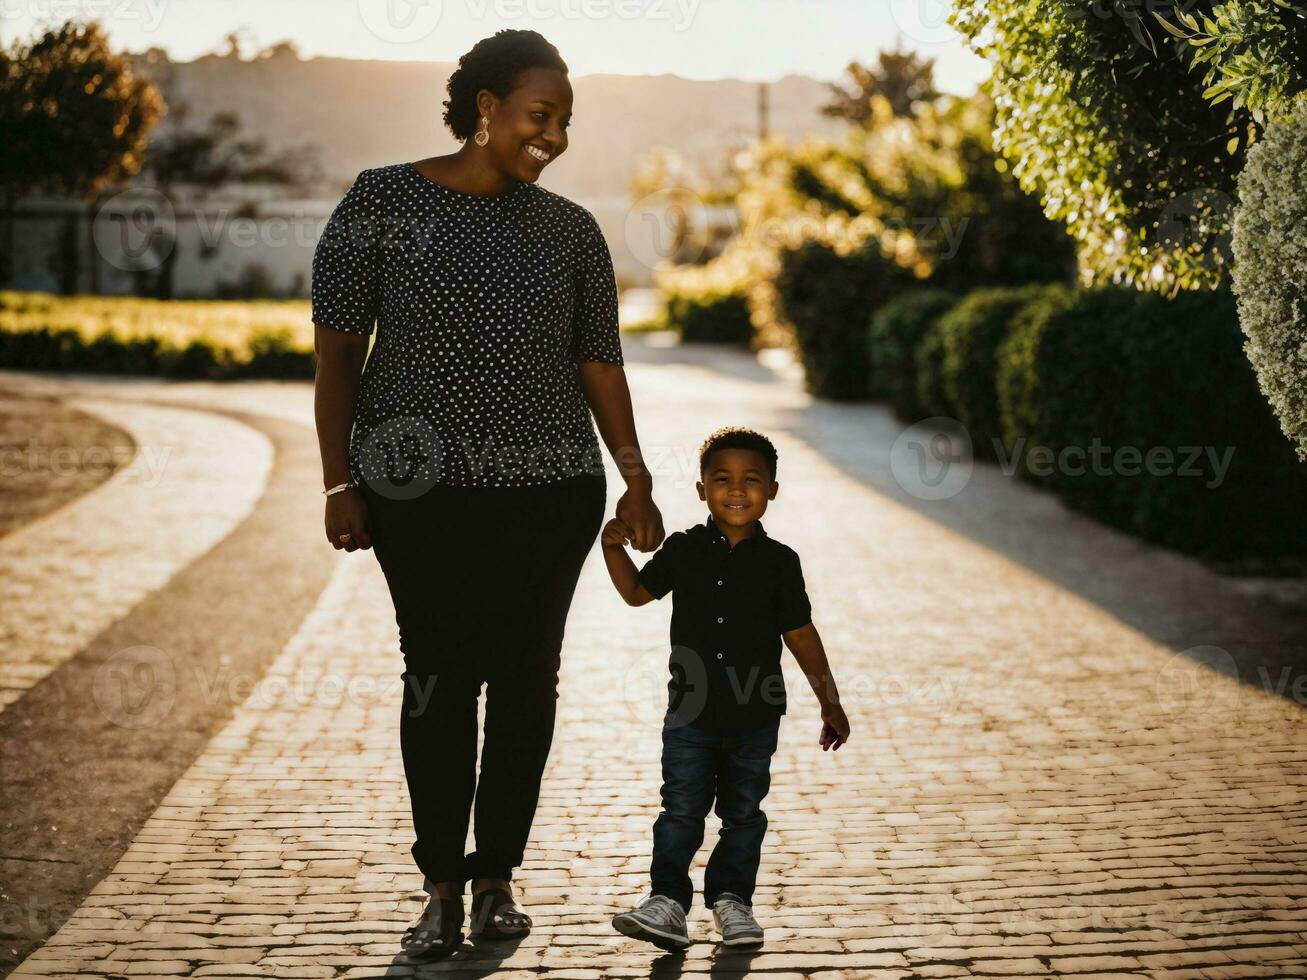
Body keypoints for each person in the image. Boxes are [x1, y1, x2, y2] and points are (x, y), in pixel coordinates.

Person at [310, 29, 666, 959]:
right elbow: (339, 355)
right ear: (484, 109)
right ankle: (438, 884)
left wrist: (634, 474)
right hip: (415, 492)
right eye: (539, 116)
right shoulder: (380, 200)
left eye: (565, 122)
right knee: (434, 678)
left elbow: (598, 361)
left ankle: (496, 879)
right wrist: (338, 479)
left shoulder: (570, 229)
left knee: (523, 684)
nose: (553, 137)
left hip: (548, 492)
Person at [599, 426, 851, 950]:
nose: (736, 490)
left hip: (756, 715)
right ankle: (666, 902)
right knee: (681, 810)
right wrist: (612, 547)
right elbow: (636, 593)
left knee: (743, 815)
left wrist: (831, 702)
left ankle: (733, 902)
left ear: (773, 490)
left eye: (751, 480)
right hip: (689, 713)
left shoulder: (781, 562)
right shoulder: (684, 549)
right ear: (701, 490)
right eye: (722, 479)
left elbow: (801, 634)